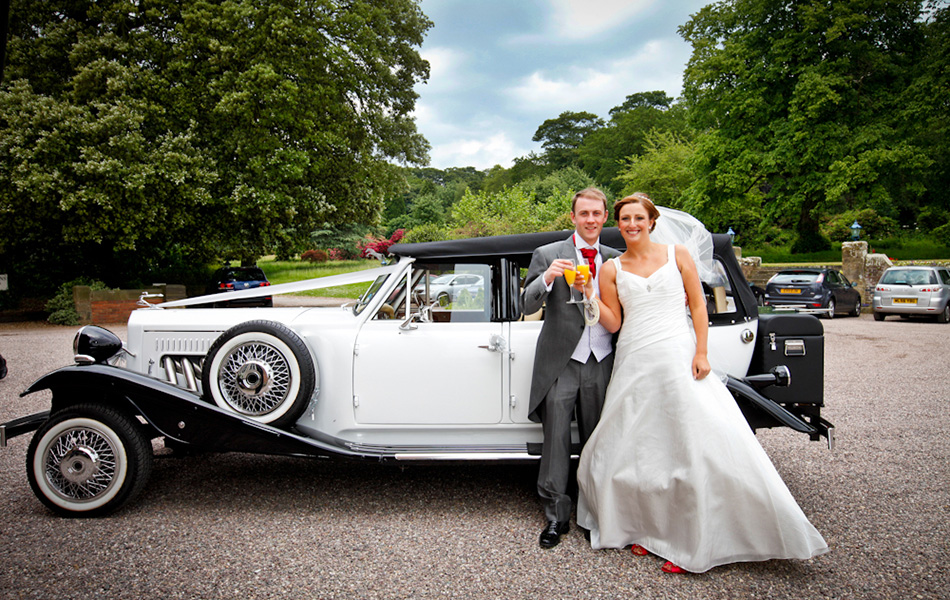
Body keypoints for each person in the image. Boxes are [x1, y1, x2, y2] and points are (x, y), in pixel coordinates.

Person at [576, 193, 828, 573]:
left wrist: (702, 353)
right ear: (619, 223)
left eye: (638, 218)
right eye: (625, 219)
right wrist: (589, 294)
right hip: (635, 358)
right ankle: (646, 529)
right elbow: (613, 323)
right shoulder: (612, 268)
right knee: (639, 448)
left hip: (677, 353)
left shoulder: (677, 255)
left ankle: (694, 543)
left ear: (651, 221)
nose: (631, 225)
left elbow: (698, 305)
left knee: (689, 444)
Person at [522, 187, 622, 549]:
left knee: (600, 441)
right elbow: (526, 300)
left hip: (602, 360)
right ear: (573, 217)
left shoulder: (615, 258)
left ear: (605, 217)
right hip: (561, 363)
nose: (591, 220)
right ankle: (555, 517)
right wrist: (547, 277)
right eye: (584, 214)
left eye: (597, 214)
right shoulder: (548, 254)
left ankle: (595, 514)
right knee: (556, 443)